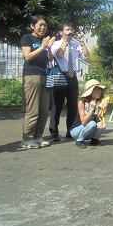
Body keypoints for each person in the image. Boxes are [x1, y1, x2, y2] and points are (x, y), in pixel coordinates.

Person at [48, 21, 89, 141]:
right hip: (61, 75)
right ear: (61, 32)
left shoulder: (76, 45)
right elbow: (59, 55)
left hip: (72, 77)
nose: (70, 32)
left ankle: (70, 130)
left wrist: (81, 42)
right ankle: (54, 132)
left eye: (71, 29)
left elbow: (86, 56)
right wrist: (65, 41)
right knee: (57, 105)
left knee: (72, 105)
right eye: (67, 30)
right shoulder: (56, 44)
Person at [20, 15, 55, 149]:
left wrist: (49, 48)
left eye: (44, 25)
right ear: (32, 26)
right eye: (40, 25)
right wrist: (42, 46)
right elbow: (27, 57)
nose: (42, 28)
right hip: (32, 76)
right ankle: (26, 139)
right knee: (33, 110)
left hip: (45, 75)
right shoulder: (27, 38)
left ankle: (38, 136)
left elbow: (50, 59)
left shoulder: (44, 41)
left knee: (44, 110)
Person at [70, 79, 108, 148]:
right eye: (95, 89)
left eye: (99, 89)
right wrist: (92, 109)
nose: (98, 91)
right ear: (90, 92)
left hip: (89, 131)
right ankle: (79, 141)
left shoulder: (99, 102)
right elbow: (83, 122)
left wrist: (104, 109)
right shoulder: (82, 103)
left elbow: (100, 118)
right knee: (92, 123)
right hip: (77, 131)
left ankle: (94, 140)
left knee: (102, 125)